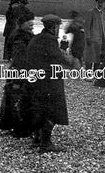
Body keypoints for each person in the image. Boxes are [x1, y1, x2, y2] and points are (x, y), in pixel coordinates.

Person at [24, 14, 78, 152]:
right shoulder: (50, 40)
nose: (59, 29)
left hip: (34, 80)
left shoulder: (36, 38)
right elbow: (60, 58)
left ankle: (37, 139)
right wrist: (73, 61)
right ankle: (45, 143)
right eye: (58, 26)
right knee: (52, 110)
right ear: (54, 27)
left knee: (37, 109)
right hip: (49, 82)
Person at [0, 10, 36, 137]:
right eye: (28, 22)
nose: (31, 23)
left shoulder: (22, 34)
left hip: (18, 70)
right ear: (21, 24)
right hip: (20, 71)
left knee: (14, 99)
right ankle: (20, 129)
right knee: (19, 98)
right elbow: (19, 57)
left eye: (32, 21)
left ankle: (12, 125)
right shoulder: (20, 37)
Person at [83, 0, 105, 71]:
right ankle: (89, 73)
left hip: (101, 39)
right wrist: (87, 37)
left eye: (102, 3)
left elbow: (103, 26)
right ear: (96, 3)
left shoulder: (102, 13)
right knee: (90, 58)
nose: (100, 4)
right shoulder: (91, 12)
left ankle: (96, 74)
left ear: (104, 3)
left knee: (98, 57)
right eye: (99, 2)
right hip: (92, 39)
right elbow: (86, 26)